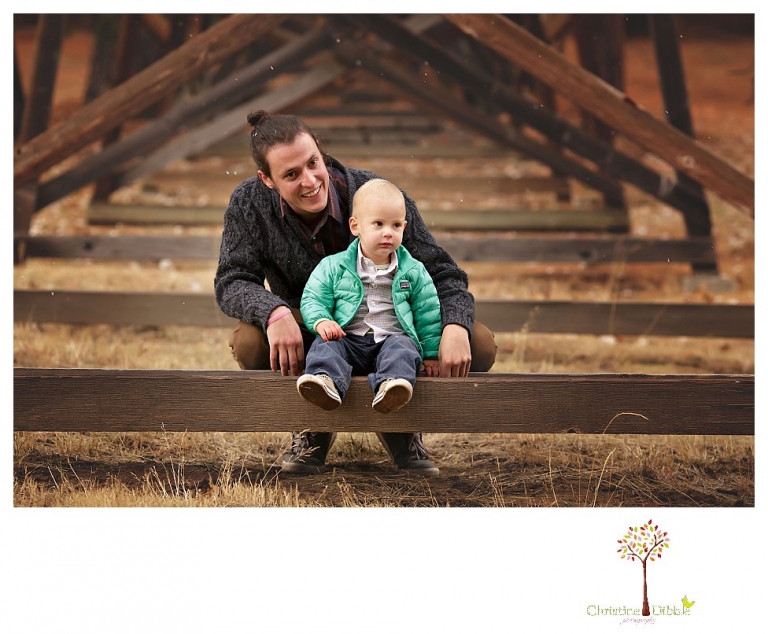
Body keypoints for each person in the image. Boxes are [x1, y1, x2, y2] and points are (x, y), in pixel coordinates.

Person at [214, 109, 497, 476]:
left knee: (480, 343)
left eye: (313, 162)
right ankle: (312, 426)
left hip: (393, 320)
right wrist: (273, 312)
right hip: (309, 322)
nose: (310, 180)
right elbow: (231, 279)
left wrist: (455, 326)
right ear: (266, 180)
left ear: (321, 151)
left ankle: (400, 426)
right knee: (251, 342)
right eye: (291, 174)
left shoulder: (376, 196)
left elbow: (442, 271)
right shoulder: (249, 204)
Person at [297, 178, 442, 423]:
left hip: (390, 340)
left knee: (404, 349)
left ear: (405, 227)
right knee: (324, 347)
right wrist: (321, 320)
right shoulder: (335, 266)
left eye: (396, 225)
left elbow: (427, 313)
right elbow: (313, 298)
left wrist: (431, 354)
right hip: (347, 340)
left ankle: (391, 386)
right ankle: (325, 381)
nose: (388, 232)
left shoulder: (413, 271)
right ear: (356, 226)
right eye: (378, 224)